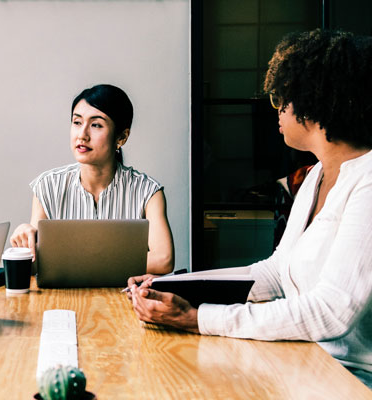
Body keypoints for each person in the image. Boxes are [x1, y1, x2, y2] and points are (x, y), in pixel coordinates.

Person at [127, 29, 372, 388]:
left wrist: (198, 318)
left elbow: (330, 313)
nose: (276, 110)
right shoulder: (318, 173)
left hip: (349, 380)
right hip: (303, 359)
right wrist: (174, 285)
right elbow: (273, 273)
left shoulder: (367, 183)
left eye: (280, 98)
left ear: (312, 102)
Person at [10, 84, 175, 275]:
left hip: (124, 300)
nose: (82, 135)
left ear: (121, 137)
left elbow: (163, 260)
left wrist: (75, 261)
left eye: (96, 125)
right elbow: (37, 263)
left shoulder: (148, 191)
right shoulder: (47, 186)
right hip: (62, 302)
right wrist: (24, 236)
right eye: (77, 122)